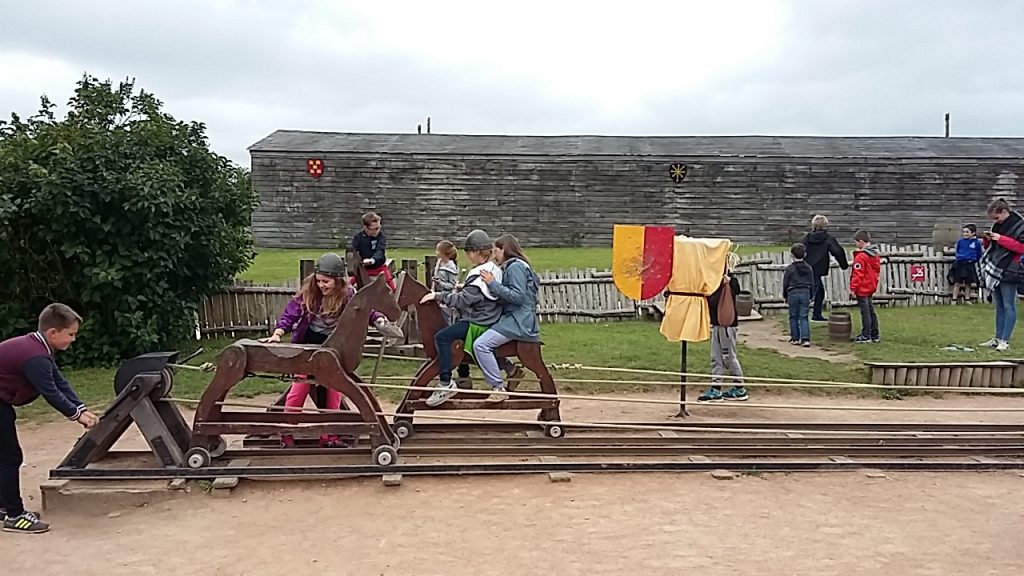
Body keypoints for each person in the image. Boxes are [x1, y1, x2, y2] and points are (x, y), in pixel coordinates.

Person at [262, 252, 403, 447]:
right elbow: (291, 313)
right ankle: (287, 434)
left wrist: (380, 321)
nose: (322, 285)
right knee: (299, 389)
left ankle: (329, 437)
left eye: (326, 282)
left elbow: (365, 309)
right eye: (319, 281)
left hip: (333, 348)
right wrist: (278, 333)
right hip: (308, 347)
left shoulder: (348, 295)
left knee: (335, 391)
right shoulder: (309, 294)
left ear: (337, 281)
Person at [0, 304, 99, 534]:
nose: (73, 339)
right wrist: (77, 416)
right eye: (71, 334)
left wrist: (81, 408)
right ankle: (15, 516)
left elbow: (59, 381)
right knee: (9, 456)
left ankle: (5, 505)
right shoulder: (36, 357)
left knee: (5, 455)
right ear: (53, 332)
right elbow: (51, 392)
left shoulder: (38, 348)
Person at [419, 230, 506, 407]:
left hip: (479, 321)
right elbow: (475, 294)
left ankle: (446, 383)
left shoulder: (480, 273)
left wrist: (437, 296)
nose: (467, 256)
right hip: (489, 316)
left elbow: (462, 301)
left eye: (469, 252)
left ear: (475, 252)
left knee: (442, 337)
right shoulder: (492, 269)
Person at [474, 234, 535, 401]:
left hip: (518, 321)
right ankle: (511, 371)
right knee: (480, 338)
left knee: (481, 345)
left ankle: (498, 388)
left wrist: (492, 283)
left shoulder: (515, 268)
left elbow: (518, 297)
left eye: (496, 251)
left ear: (504, 250)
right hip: (514, 319)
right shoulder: (514, 266)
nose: (494, 256)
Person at [698, 252, 748, 402]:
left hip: (725, 325)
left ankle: (739, 388)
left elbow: (716, 300)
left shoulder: (727, 282)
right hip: (718, 324)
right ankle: (716, 388)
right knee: (716, 357)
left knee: (729, 357)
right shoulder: (720, 281)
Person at [979, 198, 1024, 351]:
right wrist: (988, 239)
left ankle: (1005, 341)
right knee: (999, 306)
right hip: (996, 266)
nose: (996, 222)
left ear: (1004, 212)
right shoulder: (998, 225)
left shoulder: (1020, 225)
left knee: (1009, 304)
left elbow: (1021, 247)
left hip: (1011, 268)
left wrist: (1001, 239)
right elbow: (993, 246)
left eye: (997, 218)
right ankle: (997, 338)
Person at [802, 214, 849, 322]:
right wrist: (844, 265)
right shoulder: (828, 238)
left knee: (819, 292)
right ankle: (804, 315)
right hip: (818, 268)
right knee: (813, 293)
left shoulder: (807, 238)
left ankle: (816, 314)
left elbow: (800, 250)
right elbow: (838, 251)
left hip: (807, 267)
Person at [351, 212, 396, 291]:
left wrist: (372, 260)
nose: (377, 230)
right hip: (363, 269)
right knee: (349, 284)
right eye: (375, 228)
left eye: (379, 227)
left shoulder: (381, 236)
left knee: (391, 287)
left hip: (379, 268)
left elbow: (380, 251)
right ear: (366, 228)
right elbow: (354, 253)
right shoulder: (358, 238)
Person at [850, 230, 881, 343]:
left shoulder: (861, 257)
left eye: (856, 242)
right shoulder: (875, 255)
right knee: (871, 310)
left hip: (862, 288)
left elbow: (858, 274)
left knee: (865, 312)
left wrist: (853, 288)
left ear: (861, 242)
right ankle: (875, 334)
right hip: (871, 286)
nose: (856, 245)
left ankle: (866, 334)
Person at [782, 243, 814, 347]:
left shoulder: (790, 269)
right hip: (805, 292)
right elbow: (812, 282)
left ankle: (795, 338)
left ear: (792, 255)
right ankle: (805, 339)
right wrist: (811, 295)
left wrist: (785, 295)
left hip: (793, 292)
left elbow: (785, 283)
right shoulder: (808, 268)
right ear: (805, 254)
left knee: (793, 316)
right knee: (804, 316)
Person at [948, 224, 982, 303]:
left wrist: (973, 259)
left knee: (968, 283)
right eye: (963, 232)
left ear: (973, 233)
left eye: (967, 232)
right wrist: (959, 257)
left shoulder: (976, 243)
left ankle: (967, 299)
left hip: (969, 264)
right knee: (957, 283)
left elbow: (979, 253)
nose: (965, 234)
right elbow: (957, 250)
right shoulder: (960, 241)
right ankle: (954, 299)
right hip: (960, 263)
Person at [432, 240, 460, 324]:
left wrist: (440, 283)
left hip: (447, 299)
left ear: (443, 253)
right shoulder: (439, 263)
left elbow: (452, 285)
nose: (436, 252)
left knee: (446, 319)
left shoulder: (451, 267)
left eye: (437, 250)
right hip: (438, 296)